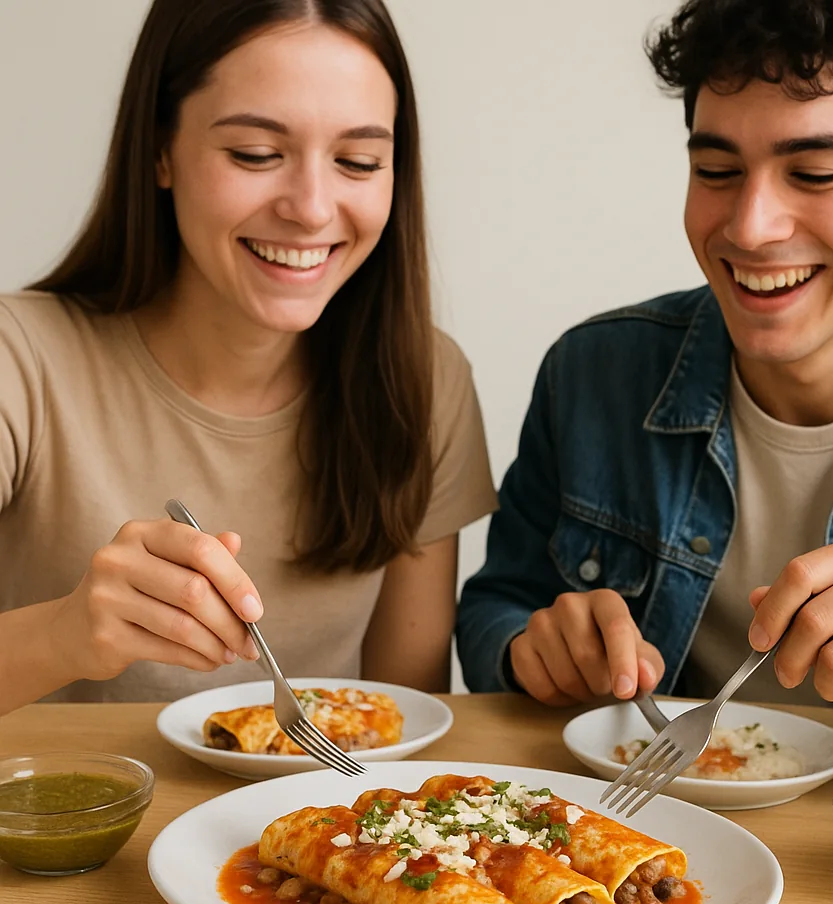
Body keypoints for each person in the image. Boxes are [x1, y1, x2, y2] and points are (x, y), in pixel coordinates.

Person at [457, 0, 833, 758]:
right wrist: (532, 648)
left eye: (815, 173)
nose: (750, 227)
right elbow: (497, 607)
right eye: (716, 171)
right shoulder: (593, 374)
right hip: (650, 822)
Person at [0, 0, 496, 716]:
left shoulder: (425, 382)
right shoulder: (19, 360)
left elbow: (405, 724)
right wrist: (64, 634)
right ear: (160, 150)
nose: (312, 208)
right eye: (256, 154)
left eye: (358, 162)